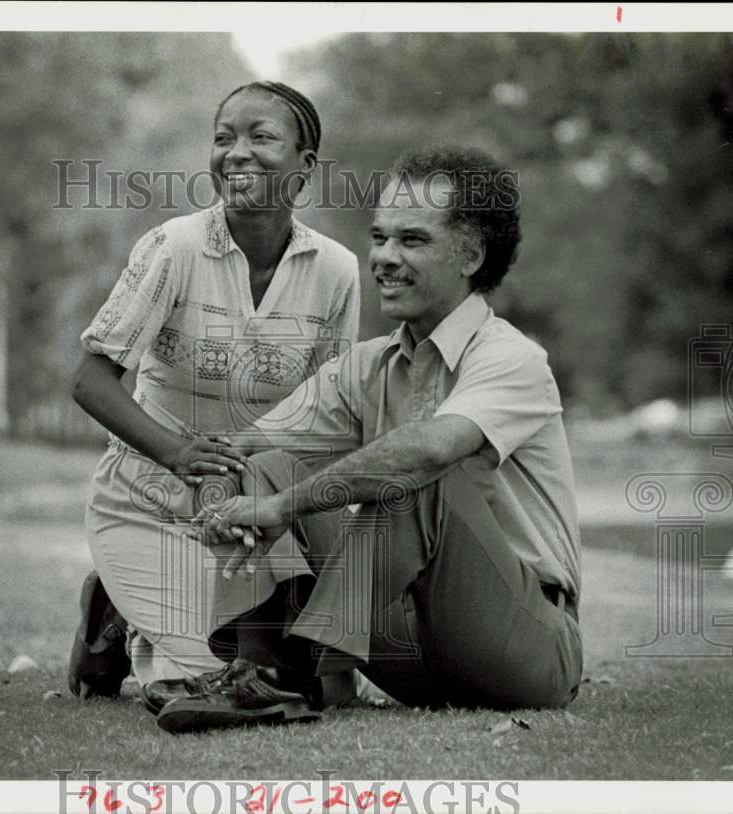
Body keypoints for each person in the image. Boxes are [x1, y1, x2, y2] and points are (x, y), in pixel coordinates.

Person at [155, 144, 584, 734]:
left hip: (523, 646)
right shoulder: (367, 366)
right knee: (269, 466)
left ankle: (297, 669)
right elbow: (245, 447)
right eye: (379, 237)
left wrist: (283, 508)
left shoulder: (511, 359)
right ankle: (261, 672)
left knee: (425, 472)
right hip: (406, 652)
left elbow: (428, 453)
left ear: (470, 255)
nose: (383, 257)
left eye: (411, 240)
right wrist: (220, 496)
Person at [68, 82, 361, 710]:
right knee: (205, 678)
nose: (237, 154)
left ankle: (129, 612)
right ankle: (117, 612)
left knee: (292, 679)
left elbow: (328, 411)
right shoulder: (173, 248)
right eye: (224, 137)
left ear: (305, 166)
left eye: (261, 138)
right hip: (149, 497)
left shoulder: (336, 271)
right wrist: (176, 453)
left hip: (258, 511)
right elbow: (89, 379)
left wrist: (312, 526)